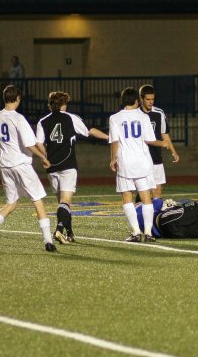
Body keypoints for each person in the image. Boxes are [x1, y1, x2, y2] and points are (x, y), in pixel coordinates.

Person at [0, 85, 56, 253]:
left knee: (11, 203)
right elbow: (29, 144)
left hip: (5, 164)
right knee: (37, 199)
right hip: (21, 164)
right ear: (18, 99)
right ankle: (48, 240)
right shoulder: (18, 119)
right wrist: (43, 157)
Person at [35, 91, 109, 244]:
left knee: (61, 203)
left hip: (52, 166)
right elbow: (89, 131)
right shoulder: (71, 118)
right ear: (64, 105)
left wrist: (44, 157)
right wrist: (109, 137)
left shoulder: (43, 121)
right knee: (66, 201)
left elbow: (39, 143)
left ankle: (69, 232)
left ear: (50, 105)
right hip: (68, 163)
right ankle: (59, 230)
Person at [109, 86, 169, 243]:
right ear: (137, 101)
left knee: (127, 197)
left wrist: (113, 159)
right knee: (146, 197)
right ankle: (148, 233)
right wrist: (162, 143)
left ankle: (136, 232)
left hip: (125, 162)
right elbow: (149, 139)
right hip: (143, 162)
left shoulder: (115, 118)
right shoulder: (143, 117)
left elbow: (114, 142)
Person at [139, 84, 180, 198]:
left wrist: (173, 151)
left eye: (152, 99)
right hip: (141, 157)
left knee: (157, 190)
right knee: (144, 190)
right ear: (141, 99)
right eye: (148, 99)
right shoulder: (135, 114)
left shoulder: (159, 113)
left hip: (156, 155)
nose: (151, 102)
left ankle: (155, 214)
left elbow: (164, 134)